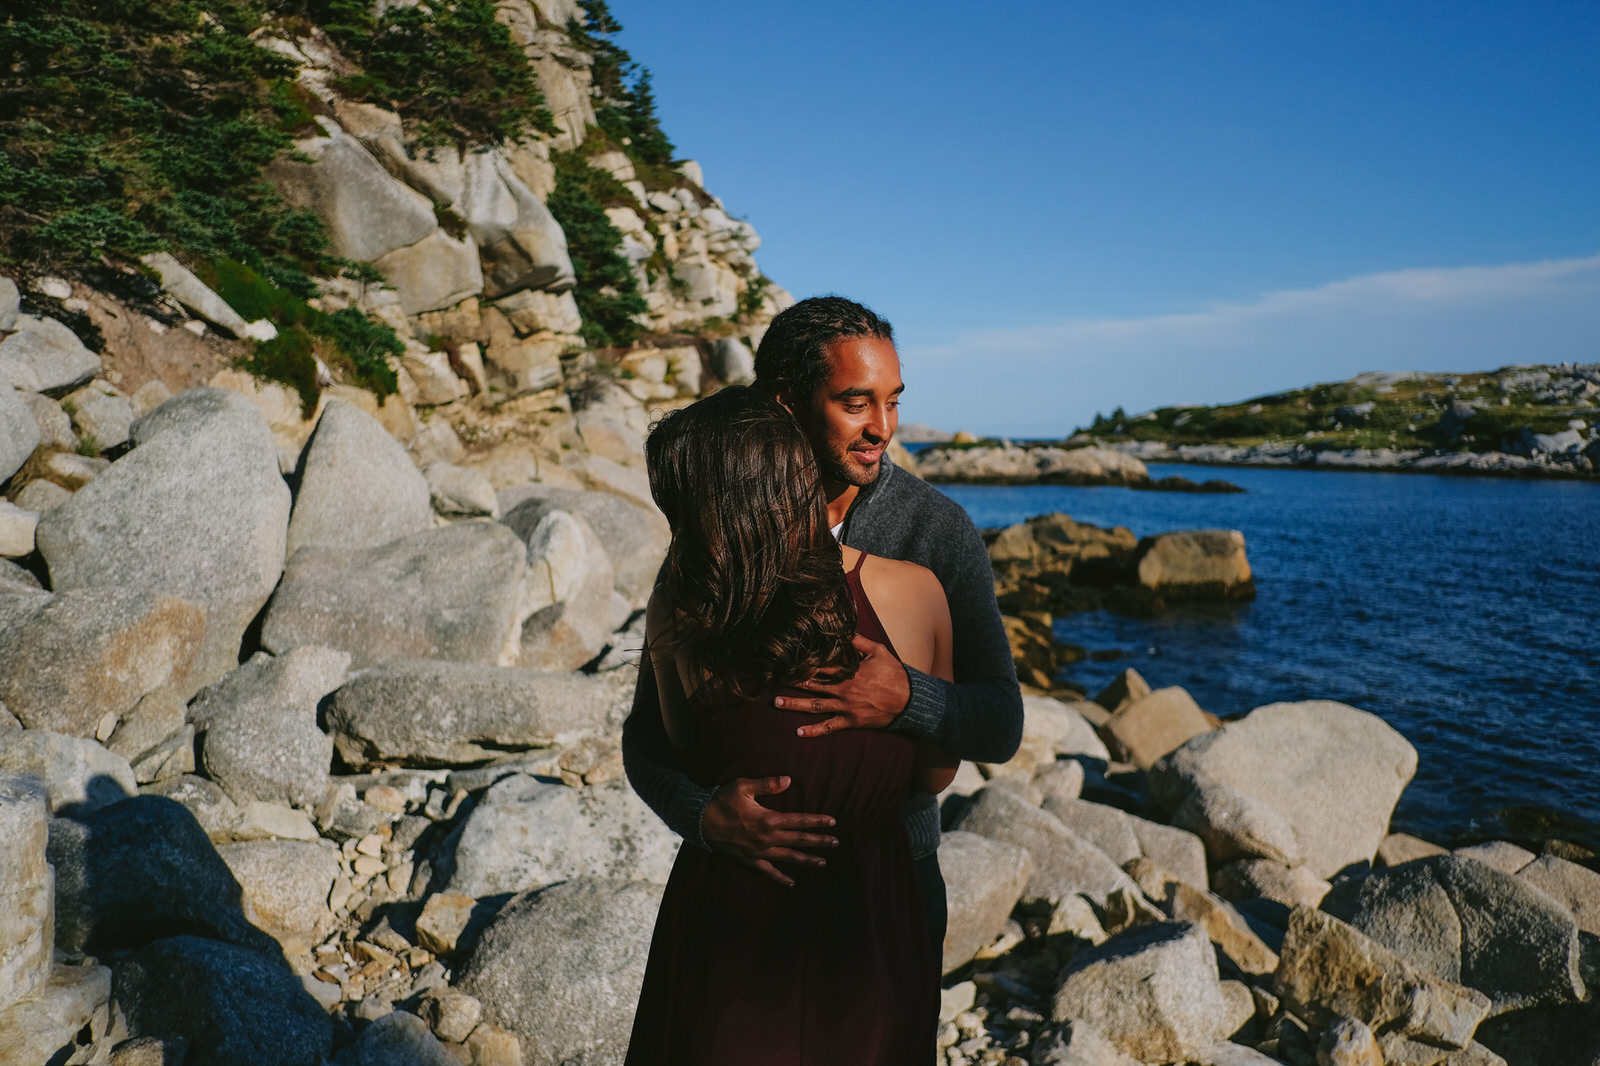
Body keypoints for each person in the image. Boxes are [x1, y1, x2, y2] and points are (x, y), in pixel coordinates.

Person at [622, 295, 1025, 957]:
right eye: (856, 402)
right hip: (742, 885)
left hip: (893, 879)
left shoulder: (934, 531)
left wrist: (909, 699)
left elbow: (1001, 723)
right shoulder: (718, 535)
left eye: (893, 400)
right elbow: (647, 733)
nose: (883, 427)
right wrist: (700, 817)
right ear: (786, 403)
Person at [625, 386, 955, 1064]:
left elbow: (671, 747)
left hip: (733, 905)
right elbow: (938, 772)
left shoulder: (684, 610)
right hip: (870, 904)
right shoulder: (916, 591)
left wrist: (702, 811)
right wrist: (906, 704)